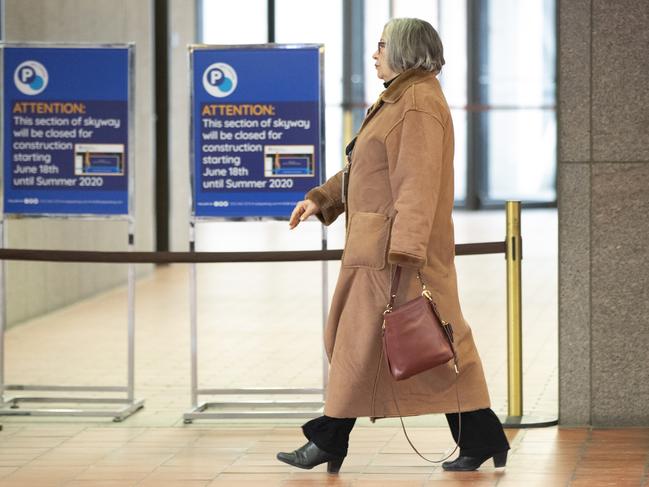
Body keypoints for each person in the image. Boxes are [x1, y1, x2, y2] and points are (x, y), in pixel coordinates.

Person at [277, 17, 510, 474]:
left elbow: (417, 185)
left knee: (414, 345)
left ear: (404, 50)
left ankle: (330, 438)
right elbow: (367, 172)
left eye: (382, 45)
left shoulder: (416, 103)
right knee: (410, 347)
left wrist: (405, 253)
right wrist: (319, 200)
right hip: (379, 250)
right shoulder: (399, 99)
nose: (374, 54)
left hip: (396, 256)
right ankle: (482, 437)